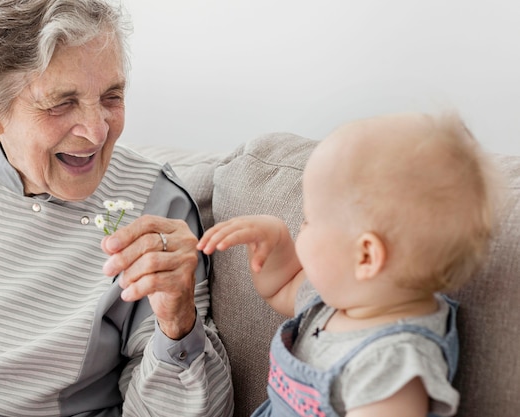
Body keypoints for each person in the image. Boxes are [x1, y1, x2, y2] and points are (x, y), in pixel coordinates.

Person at [0, 1, 233, 416]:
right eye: (61, 103)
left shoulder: (156, 206)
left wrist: (177, 324)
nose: (96, 131)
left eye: (112, 96)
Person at [198, 112, 503, 416]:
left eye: (308, 220)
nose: (299, 228)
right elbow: (281, 289)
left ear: (366, 257)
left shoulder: (391, 364)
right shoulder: (338, 299)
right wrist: (276, 244)